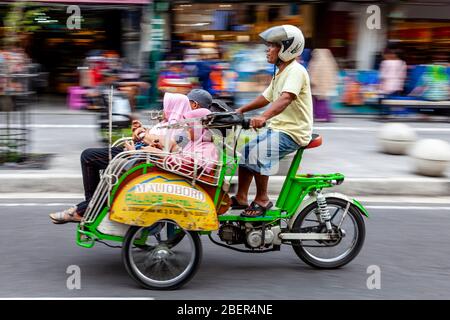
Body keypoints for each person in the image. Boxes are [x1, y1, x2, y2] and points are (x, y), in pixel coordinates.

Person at [49, 93, 191, 224]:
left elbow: (164, 146)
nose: (163, 110)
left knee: (91, 159)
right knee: (87, 156)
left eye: (167, 106)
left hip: (142, 159)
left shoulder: (182, 132)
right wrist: (139, 130)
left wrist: (141, 137)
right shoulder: (165, 124)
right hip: (134, 153)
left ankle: (82, 209)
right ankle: (89, 207)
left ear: (175, 108)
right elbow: (149, 137)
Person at [231, 25, 313, 217]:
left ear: (287, 49)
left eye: (272, 46)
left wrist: (263, 116)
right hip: (278, 128)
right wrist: (240, 110)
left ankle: (262, 200)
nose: (267, 50)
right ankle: (241, 197)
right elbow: (266, 97)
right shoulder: (280, 72)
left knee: (260, 152)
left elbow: (286, 98)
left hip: (293, 132)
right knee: (245, 151)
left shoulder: (296, 71)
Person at [125, 108, 218, 176]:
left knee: (121, 165)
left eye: (190, 126)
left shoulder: (208, 148)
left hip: (180, 181)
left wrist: (160, 153)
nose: (188, 129)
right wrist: (158, 149)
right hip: (168, 173)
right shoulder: (191, 140)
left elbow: (189, 167)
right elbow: (173, 148)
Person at [308, 48, 338, 122]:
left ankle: (319, 116)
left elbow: (313, 74)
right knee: (323, 101)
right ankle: (326, 116)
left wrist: (312, 81)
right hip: (325, 86)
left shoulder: (316, 62)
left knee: (318, 102)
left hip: (317, 86)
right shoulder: (329, 61)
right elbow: (334, 72)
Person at [378, 49, 407, 116]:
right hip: (397, 86)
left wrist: (380, 85)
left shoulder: (385, 62)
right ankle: (394, 114)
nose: (384, 56)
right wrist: (401, 85)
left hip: (386, 86)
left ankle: (385, 114)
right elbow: (403, 76)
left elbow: (382, 76)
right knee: (395, 101)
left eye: (384, 55)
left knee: (384, 101)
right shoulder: (402, 63)